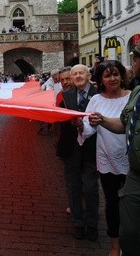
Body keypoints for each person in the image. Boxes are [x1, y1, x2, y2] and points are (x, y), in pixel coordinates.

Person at [89, 40, 140, 256]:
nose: (131, 66)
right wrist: (103, 119)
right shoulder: (139, 92)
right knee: (129, 235)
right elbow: (124, 125)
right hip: (137, 178)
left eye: (133, 60)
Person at [80, 61, 130, 256]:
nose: (112, 79)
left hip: (130, 159)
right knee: (112, 203)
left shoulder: (131, 97)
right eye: (108, 76)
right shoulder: (96, 100)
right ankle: (114, 245)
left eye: (116, 74)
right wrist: (80, 125)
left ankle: (131, 240)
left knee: (131, 204)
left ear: (122, 76)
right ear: (101, 80)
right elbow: (88, 129)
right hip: (107, 158)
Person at [56, 64, 99, 241]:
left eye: (81, 73)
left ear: (88, 75)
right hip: (71, 147)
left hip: (92, 147)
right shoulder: (65, 95)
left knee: (90, 187)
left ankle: (93, 223)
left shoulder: (98, 94)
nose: (78, 76)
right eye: (74, 74)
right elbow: (57, 117)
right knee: (73, 186)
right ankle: (78, 222)